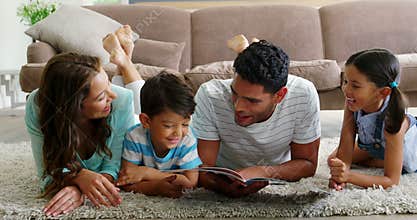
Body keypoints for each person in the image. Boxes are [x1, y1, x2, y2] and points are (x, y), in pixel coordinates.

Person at [25, 25, 142, 217]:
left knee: (140, 101)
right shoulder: (38, 105)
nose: (111, 96)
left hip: (132, 120)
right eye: (101, 97)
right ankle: (122, 55)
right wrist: (78, 177)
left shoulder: (119, 100)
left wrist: (80, 187)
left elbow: (113, 167)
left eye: (108, 85)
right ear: (72, 106)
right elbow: (46, 173)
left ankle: (124, 60)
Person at [193, 40, 321, 197]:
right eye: (234, 93)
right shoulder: (209, 95)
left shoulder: (303, 94)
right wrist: (222, 187)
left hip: (277, 171)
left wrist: (265, 172)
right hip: (224, 173)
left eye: (252, 100)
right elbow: (201, 168)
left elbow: (307, 164)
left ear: (279, 96)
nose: (238, 107)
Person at [327, 48, 417, 190]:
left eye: (355, 85)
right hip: (375, 146)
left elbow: (392, 181)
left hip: (408, 153)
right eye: (345, 81)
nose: (346, 90)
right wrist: (339, 176)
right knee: (332, 160)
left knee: (395, 168)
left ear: (383, 92)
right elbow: (347, 137)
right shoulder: (352, 101)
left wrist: (349, 176)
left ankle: (383, 161)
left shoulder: (395, 122)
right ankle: (379, 159)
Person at [115, 72, 202, 198]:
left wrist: (148, 173)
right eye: (168, 126)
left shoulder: (187, 139)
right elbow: (126, 180)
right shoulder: (134, 137)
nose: (178, 133)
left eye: (185, 124)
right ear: (146, 121)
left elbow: (191, 183)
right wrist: (155, 187)